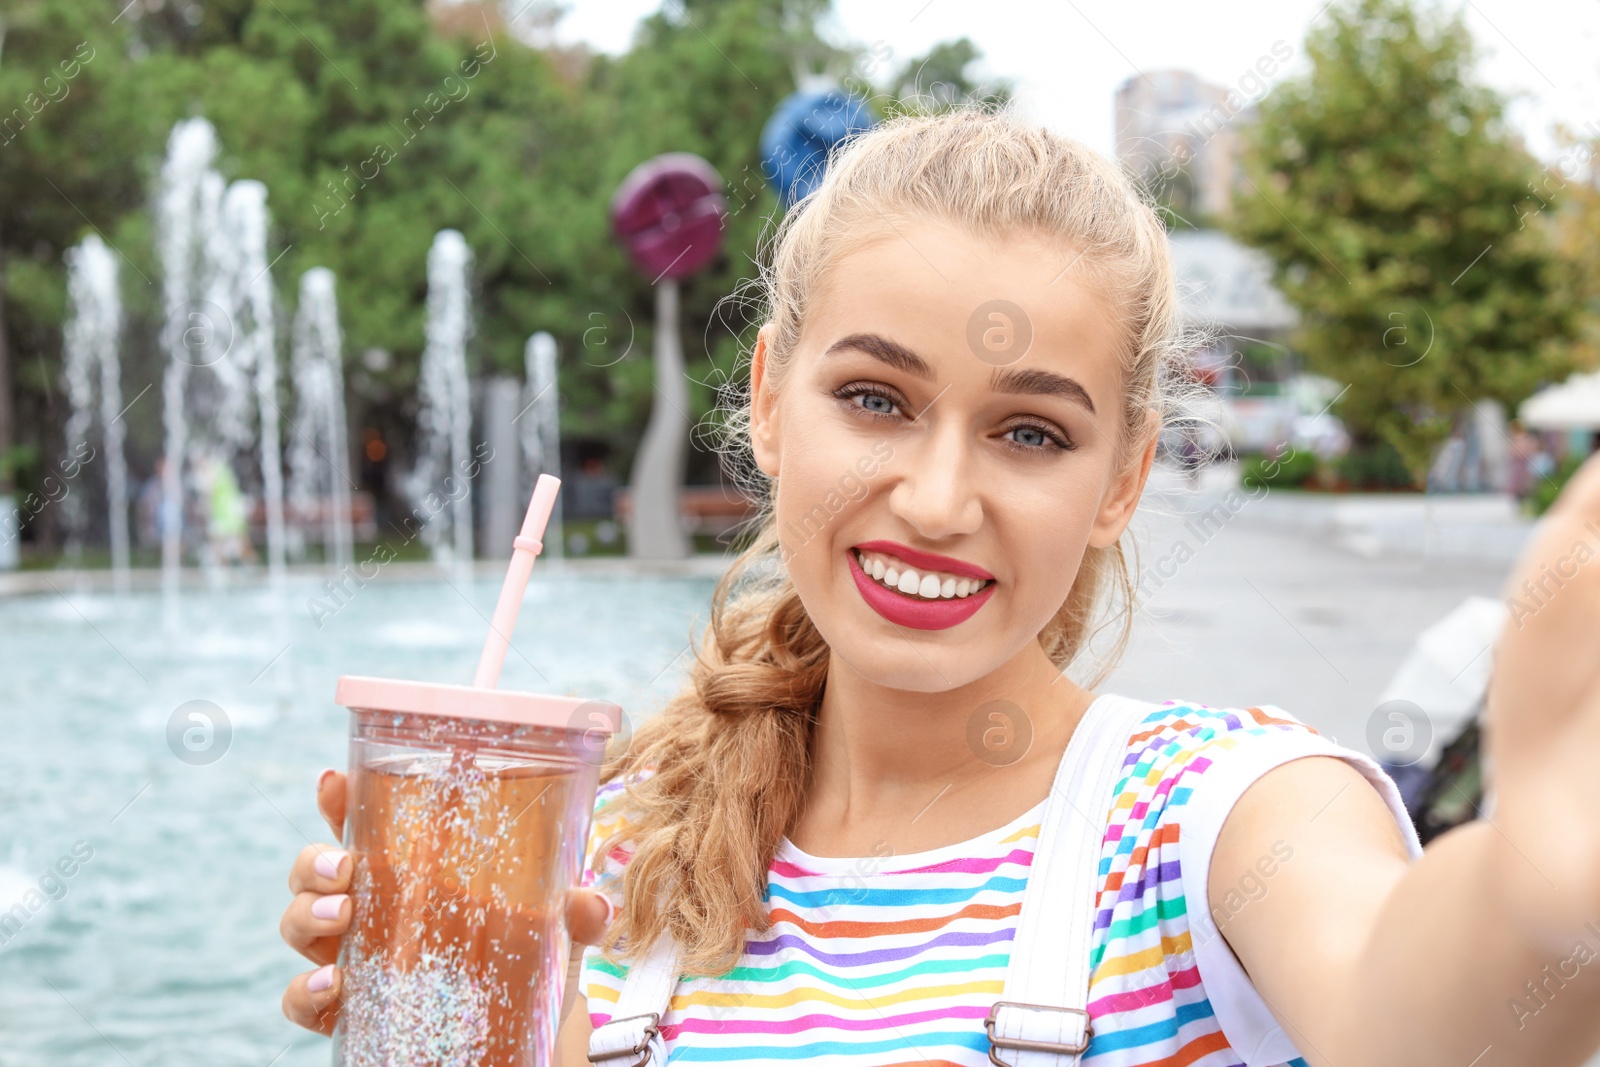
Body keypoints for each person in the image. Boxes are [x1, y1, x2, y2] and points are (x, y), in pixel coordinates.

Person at [278, 108, 1600, 1065]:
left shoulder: (1208, 819)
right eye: (875, 399)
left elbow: (1414, 1014)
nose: (937, 498)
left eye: (1031, 432)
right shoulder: (606, 857)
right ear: (771, 404)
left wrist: (1546, 884)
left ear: (1125, 478)